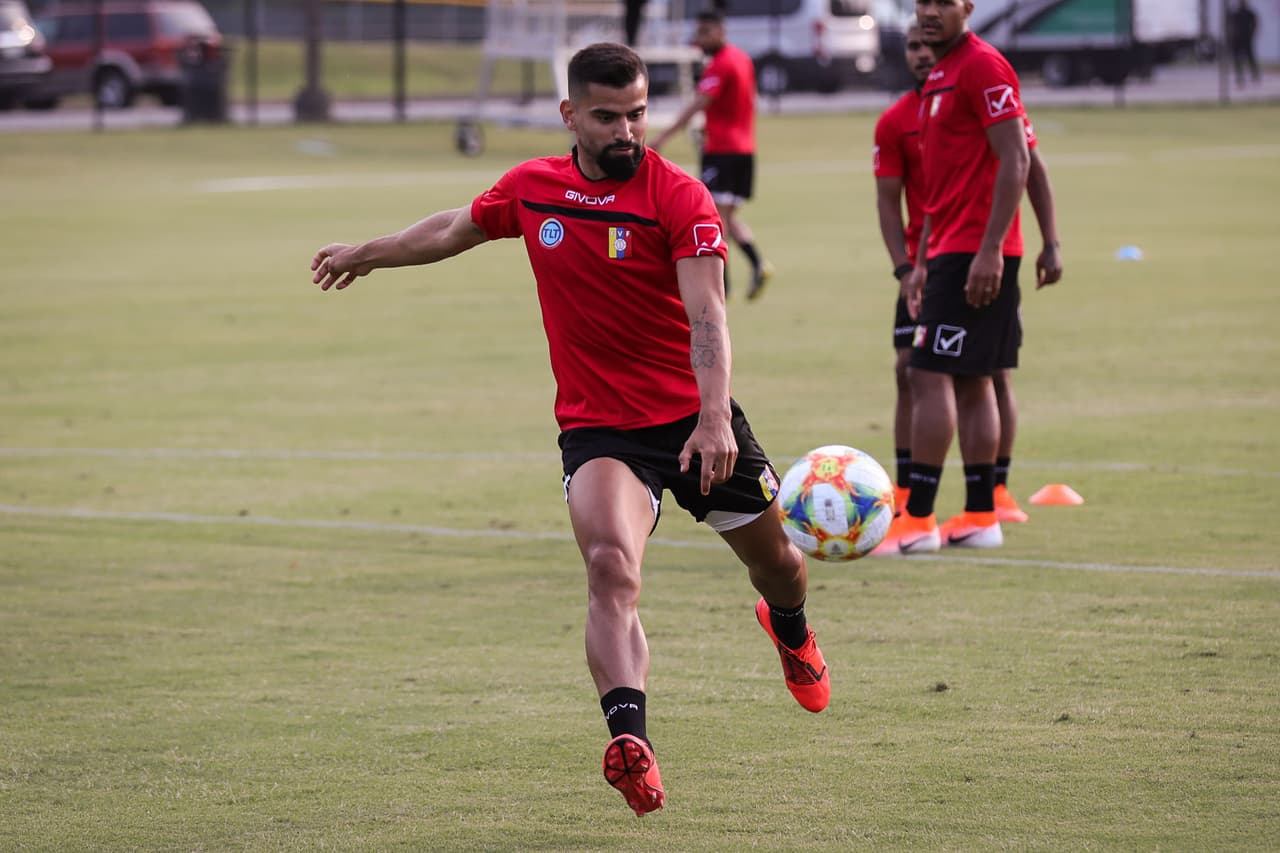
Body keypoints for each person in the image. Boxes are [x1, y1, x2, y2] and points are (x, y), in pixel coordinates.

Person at [309, 42, 829, 817]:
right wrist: (367, 253)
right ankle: (634, 744)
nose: (628, 132)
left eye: (639, 115)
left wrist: (716, 417)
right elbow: (452, 228)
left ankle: (788, 628)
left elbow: (708, 314)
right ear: (571, 116)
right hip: (601, 433)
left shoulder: (679, 196)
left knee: (780, 565)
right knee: (611, 568)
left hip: (695, 422)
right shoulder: (535, 189)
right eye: (608, 117)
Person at [876, 0, 1061, 554]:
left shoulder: (982, 66)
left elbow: (1019, 160)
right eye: (921, 4)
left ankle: (920, 519)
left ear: (967, 8)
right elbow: (938, 192)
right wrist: (921, 263)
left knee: (928, 373)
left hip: (978, 252)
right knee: (971, 378)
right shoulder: (942, 77)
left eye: (942, 3)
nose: (930, 12)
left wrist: (992, 252)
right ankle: (981, 513)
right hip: (949, 251)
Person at [651, 9, 774, 300]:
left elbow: (698, 104)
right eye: (699, 33)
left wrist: (662, 137)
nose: (701, 39)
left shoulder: (720, 64)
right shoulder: (742, 59)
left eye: (706, 33)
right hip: (744, 149)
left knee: (713, 219)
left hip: (723, 151)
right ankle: (757, 264)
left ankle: (723, 285)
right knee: (725, 216)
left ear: (721, 31)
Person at [1228, 0, 1262, 87]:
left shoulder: (1249, 13)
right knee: (1238, 60)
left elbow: (1255, 23)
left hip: (1247, 39)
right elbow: (1231, 25)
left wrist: (1252, 34)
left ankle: (1255, 75)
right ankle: (1240, 77)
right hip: (1237, 40)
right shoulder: (1236, 13)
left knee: (1250, 59)